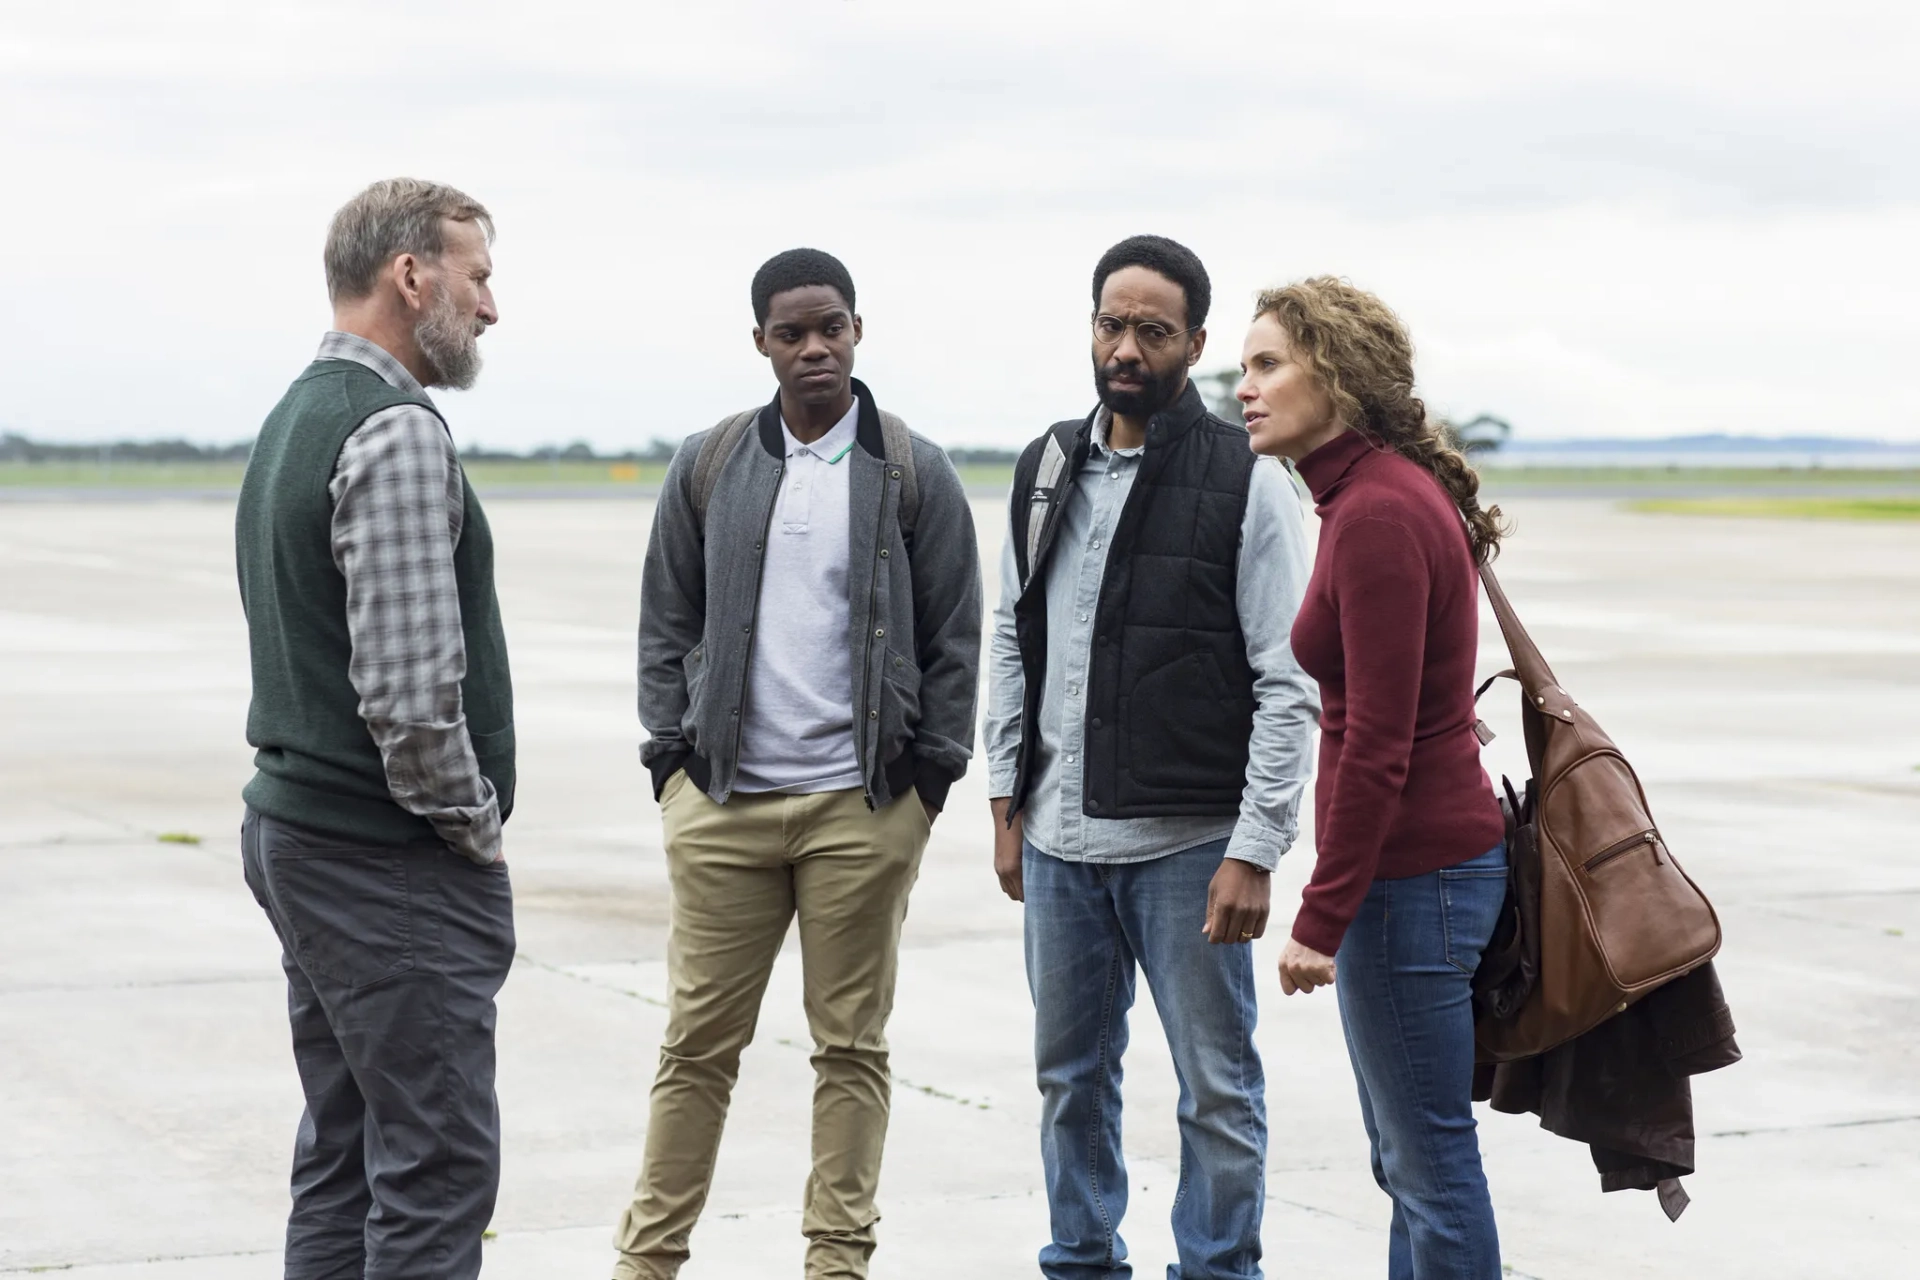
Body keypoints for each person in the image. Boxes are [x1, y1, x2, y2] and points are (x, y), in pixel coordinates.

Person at [618, 248, 983, 1280]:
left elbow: (958, 632)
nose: (814, 346)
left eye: (831, 326)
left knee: (851, 1048)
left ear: (859, 329)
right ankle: (646, 1261)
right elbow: (665, 618)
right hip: (724, 801)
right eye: (793, 332)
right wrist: (670, 760)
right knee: (695, 1047)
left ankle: (836, 1263)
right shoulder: (711, 462)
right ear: (762, 344)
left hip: (858, 809)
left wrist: (926, 782)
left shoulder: (913, 468)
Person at [985, 235, 1320, 1280]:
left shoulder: (1249, 477)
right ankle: (1081, 1261)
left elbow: (1288, 678)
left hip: (1190, 846)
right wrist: (1006, 795)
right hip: (1058, 842)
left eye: (1152, 331)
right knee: (1069, 1078)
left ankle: (1218, 1269)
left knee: (1215, 1084)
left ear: (1196, 344)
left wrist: (1257, 846)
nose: (1126, 347)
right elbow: (1012, 632)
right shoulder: (1045, 466)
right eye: (1110, 324)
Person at [234, 178, 515, 1280]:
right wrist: (474, 828)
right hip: (382, 855)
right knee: (436, 1166)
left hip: (307, 834)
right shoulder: (393, 429)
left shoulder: (298, 411)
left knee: (346, 1153)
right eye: (479, 275)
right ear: (413, 275)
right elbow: (408, 699)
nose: (490, 307)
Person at [1239, 277, 1510, 1279]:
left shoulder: (1377, 512)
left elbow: (1379, 741)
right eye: (1245, 367)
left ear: (1338, 377)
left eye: (1268, 364)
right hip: (1422, 873)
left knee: (1429, 1161)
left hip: (1413, 881)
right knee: (1411, 1158)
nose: (1245, 388)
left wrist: (1323, 911)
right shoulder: (1373, 493)